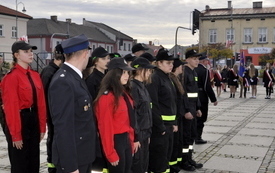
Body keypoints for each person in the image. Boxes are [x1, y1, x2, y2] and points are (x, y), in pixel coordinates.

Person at [48, 34, 97, 173]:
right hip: (73, 160)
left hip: (83, 155)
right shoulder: (63, 81)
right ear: (85, 54)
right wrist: (70, 166)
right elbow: (63, 127)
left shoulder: (74, 77)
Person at [1, 40, 46, 173]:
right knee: (20, 162)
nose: (31, 54)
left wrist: (42, 126)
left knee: (34, 161)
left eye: (31, 51)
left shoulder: (35, 75)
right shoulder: (11, 78)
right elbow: (11, 108)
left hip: (33, 119)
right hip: (20, 119)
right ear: (17, 55)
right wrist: (16, 135)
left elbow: (41, 102)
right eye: (26, 52)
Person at [94, 57, 135, 173]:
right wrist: (110, 153)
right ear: (115, 74)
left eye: (127, 72)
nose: (127, 75)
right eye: (123, 73)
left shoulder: (124, 93)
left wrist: (131, 141)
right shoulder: (107, 97)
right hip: (115, 141)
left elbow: (129, 120)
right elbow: (105, 128)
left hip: (125, 140)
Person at [146, 48, 177, 173]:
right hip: (160, 128)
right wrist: (160, 127)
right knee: (158, 161)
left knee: (166, 159)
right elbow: (153, 105)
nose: (171, 65)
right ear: (159, 63)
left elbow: (171, 102)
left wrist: (175, 122)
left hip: (169, 126)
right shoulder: (155, 78)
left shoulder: (167, 77)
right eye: (168, 63)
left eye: (172, 63)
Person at [40, 44, 65, 173]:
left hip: (55, 113)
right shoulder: (49, 72)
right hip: (52, 113)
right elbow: (45, 95)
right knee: (53, 138)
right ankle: (52, 164)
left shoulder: (55, 70)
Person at [130, 57, 155, 173]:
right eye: (148, 70)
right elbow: (133, 115)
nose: (150, 73)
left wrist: (148, 134)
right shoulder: (133, 87)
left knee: (144, 166)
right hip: (138, 135)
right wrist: (136, 137)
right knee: (138, 167)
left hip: (145, 134)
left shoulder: (142, 86)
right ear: (140, 70)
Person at [180, 49, 203, 171]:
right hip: (188, 109)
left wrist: (198, 107)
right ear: (187, 59)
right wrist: (186, 111)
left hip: (194, 108)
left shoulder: (194, 72)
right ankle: (184, 161)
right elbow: (183, 94)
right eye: (194, 58)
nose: (197, 61)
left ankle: (189, 158)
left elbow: (195, 92)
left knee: (192, 135)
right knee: (186, 136)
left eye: (198, 59)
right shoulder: (184, 72)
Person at [194, 55, 217, 145]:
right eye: (207, 61)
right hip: (202, 95)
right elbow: (206, 86)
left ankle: (193, 135)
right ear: (204, 61)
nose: (208, 63)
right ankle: (198, 137)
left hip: (193, 95)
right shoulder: (204, 71)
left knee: (195, 117)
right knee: (201, 117)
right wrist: (213, 99)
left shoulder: (193, 69)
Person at [169, 58, 185, 173]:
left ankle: (177, 164)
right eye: (180, 66)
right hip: (174, 118)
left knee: (178, 143)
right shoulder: (171, 79)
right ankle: (174, 166)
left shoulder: (176, 79)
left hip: (178, 116)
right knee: (173, 145)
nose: (182, 68)